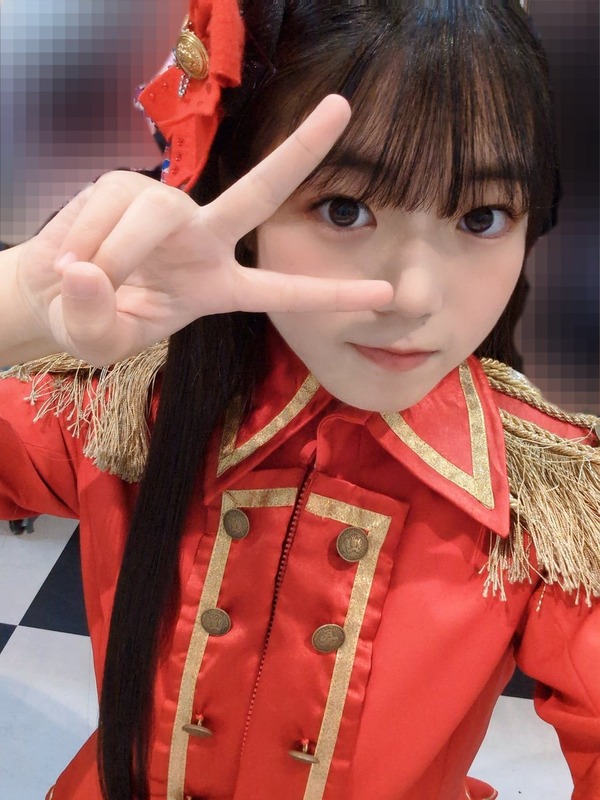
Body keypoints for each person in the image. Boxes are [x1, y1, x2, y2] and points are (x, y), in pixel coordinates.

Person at [0, 1, 598, 799]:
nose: (414, 297)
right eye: (345, 209)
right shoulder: (130, 408)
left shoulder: (552, 507)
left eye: (481, 217)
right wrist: (19, 304)